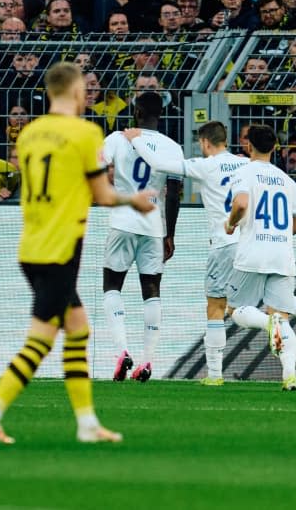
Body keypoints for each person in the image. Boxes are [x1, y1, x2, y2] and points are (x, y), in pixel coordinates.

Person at [0, 61, 156, 445]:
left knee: (78, 328)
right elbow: (102, 195)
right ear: (74, 92)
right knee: (40, 340)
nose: (88, 96)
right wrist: (133, 201)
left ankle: (87, 423)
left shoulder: (30, 133)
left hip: (32, 245)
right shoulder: (86, 134)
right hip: (60, 249)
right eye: (85, 91)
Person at [122, 120, 296, 386]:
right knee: (281, 306)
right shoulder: (259, 169)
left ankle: (215, 375)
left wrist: (136, 138)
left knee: (221, 308)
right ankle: (295, 363)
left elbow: (160, 164)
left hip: (227, 243)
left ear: (205, 143)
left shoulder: (209, 165)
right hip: (266, 246)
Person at [102, 91, 183, 383]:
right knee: (151, 289)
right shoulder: (172, 147)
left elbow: (98, 167)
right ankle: (147, 361)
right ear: (160, 114)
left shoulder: (117, 138)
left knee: (112, 285)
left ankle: (122, 351)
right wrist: (169, 233)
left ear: (135, 112)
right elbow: (174, 193)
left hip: (123, 220)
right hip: (153, 226)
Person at [223, 124, 296, 391]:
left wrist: (232, 223)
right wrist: (281, 234)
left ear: (248, 145)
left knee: (235, 310)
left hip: (253, 253)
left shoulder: (243, 171)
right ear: (275, 148)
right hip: (283, 254)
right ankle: (290, 375)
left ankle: (265, 322)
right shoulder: (286, 179)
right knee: (283, 317)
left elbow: (241, 203)